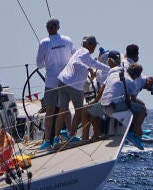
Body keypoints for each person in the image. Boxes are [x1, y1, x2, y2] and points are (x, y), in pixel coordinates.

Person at [57, 35, 110, 140]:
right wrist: (89, 69)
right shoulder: (84, 52)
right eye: (94, 45)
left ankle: (56, 138)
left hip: (62, 81)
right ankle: (73, 136)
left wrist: (111, 69)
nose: (94, 48)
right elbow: (76, 62)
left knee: (64, 111)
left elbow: (97, 64)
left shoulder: (82, 53)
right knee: (81, 111)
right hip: (74, 85)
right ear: (89, 44)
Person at [35, 18, 75, 150]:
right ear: (58, 27)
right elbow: (74, 57)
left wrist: (48, 63)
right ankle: (71, 135)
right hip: (66, 79)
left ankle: (47, 140)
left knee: (50, 111)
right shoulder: (68, 40)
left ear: (47, 28)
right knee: (65, 108)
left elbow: (39, 64)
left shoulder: (44, 42)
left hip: (51, 81)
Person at [100, 62, 153, 149]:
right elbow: (132, 102)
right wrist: (136, 122)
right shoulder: (134, 82)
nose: (148, 90)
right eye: (150, 89)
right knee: (142, 110)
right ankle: (134, 133)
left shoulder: (115, 74)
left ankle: (137, 129)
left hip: (104, 105)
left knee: (141, 106)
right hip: (112, 107)